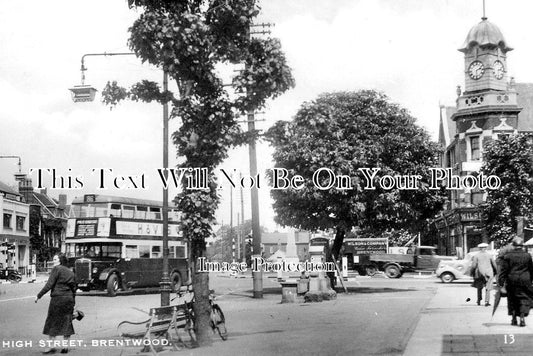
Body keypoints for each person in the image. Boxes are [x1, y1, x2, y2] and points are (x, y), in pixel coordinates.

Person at [35, 254, 77, 354]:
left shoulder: (56, 269)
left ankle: (51, 346)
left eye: (55, 259)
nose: (53, 260)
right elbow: (74, 288)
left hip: (58, 299)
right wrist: (73, 301)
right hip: (68, 299)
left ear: (60, 260)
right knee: (67, 321)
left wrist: (39, 295)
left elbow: (49, 284)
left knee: (52, 321)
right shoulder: (71, 272)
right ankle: (65, 347)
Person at [498, 237, 533, 327]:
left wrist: (501, 282)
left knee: (512, 298)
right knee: (524, 298)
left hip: (512, 279)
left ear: (513, 245)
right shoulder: (527, 255)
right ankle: (522, 317)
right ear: (522, 246)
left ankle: (514, 318)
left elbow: (504, 270)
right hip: (525, 280)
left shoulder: (508, 256)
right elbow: (531, 269)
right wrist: (531, 280)